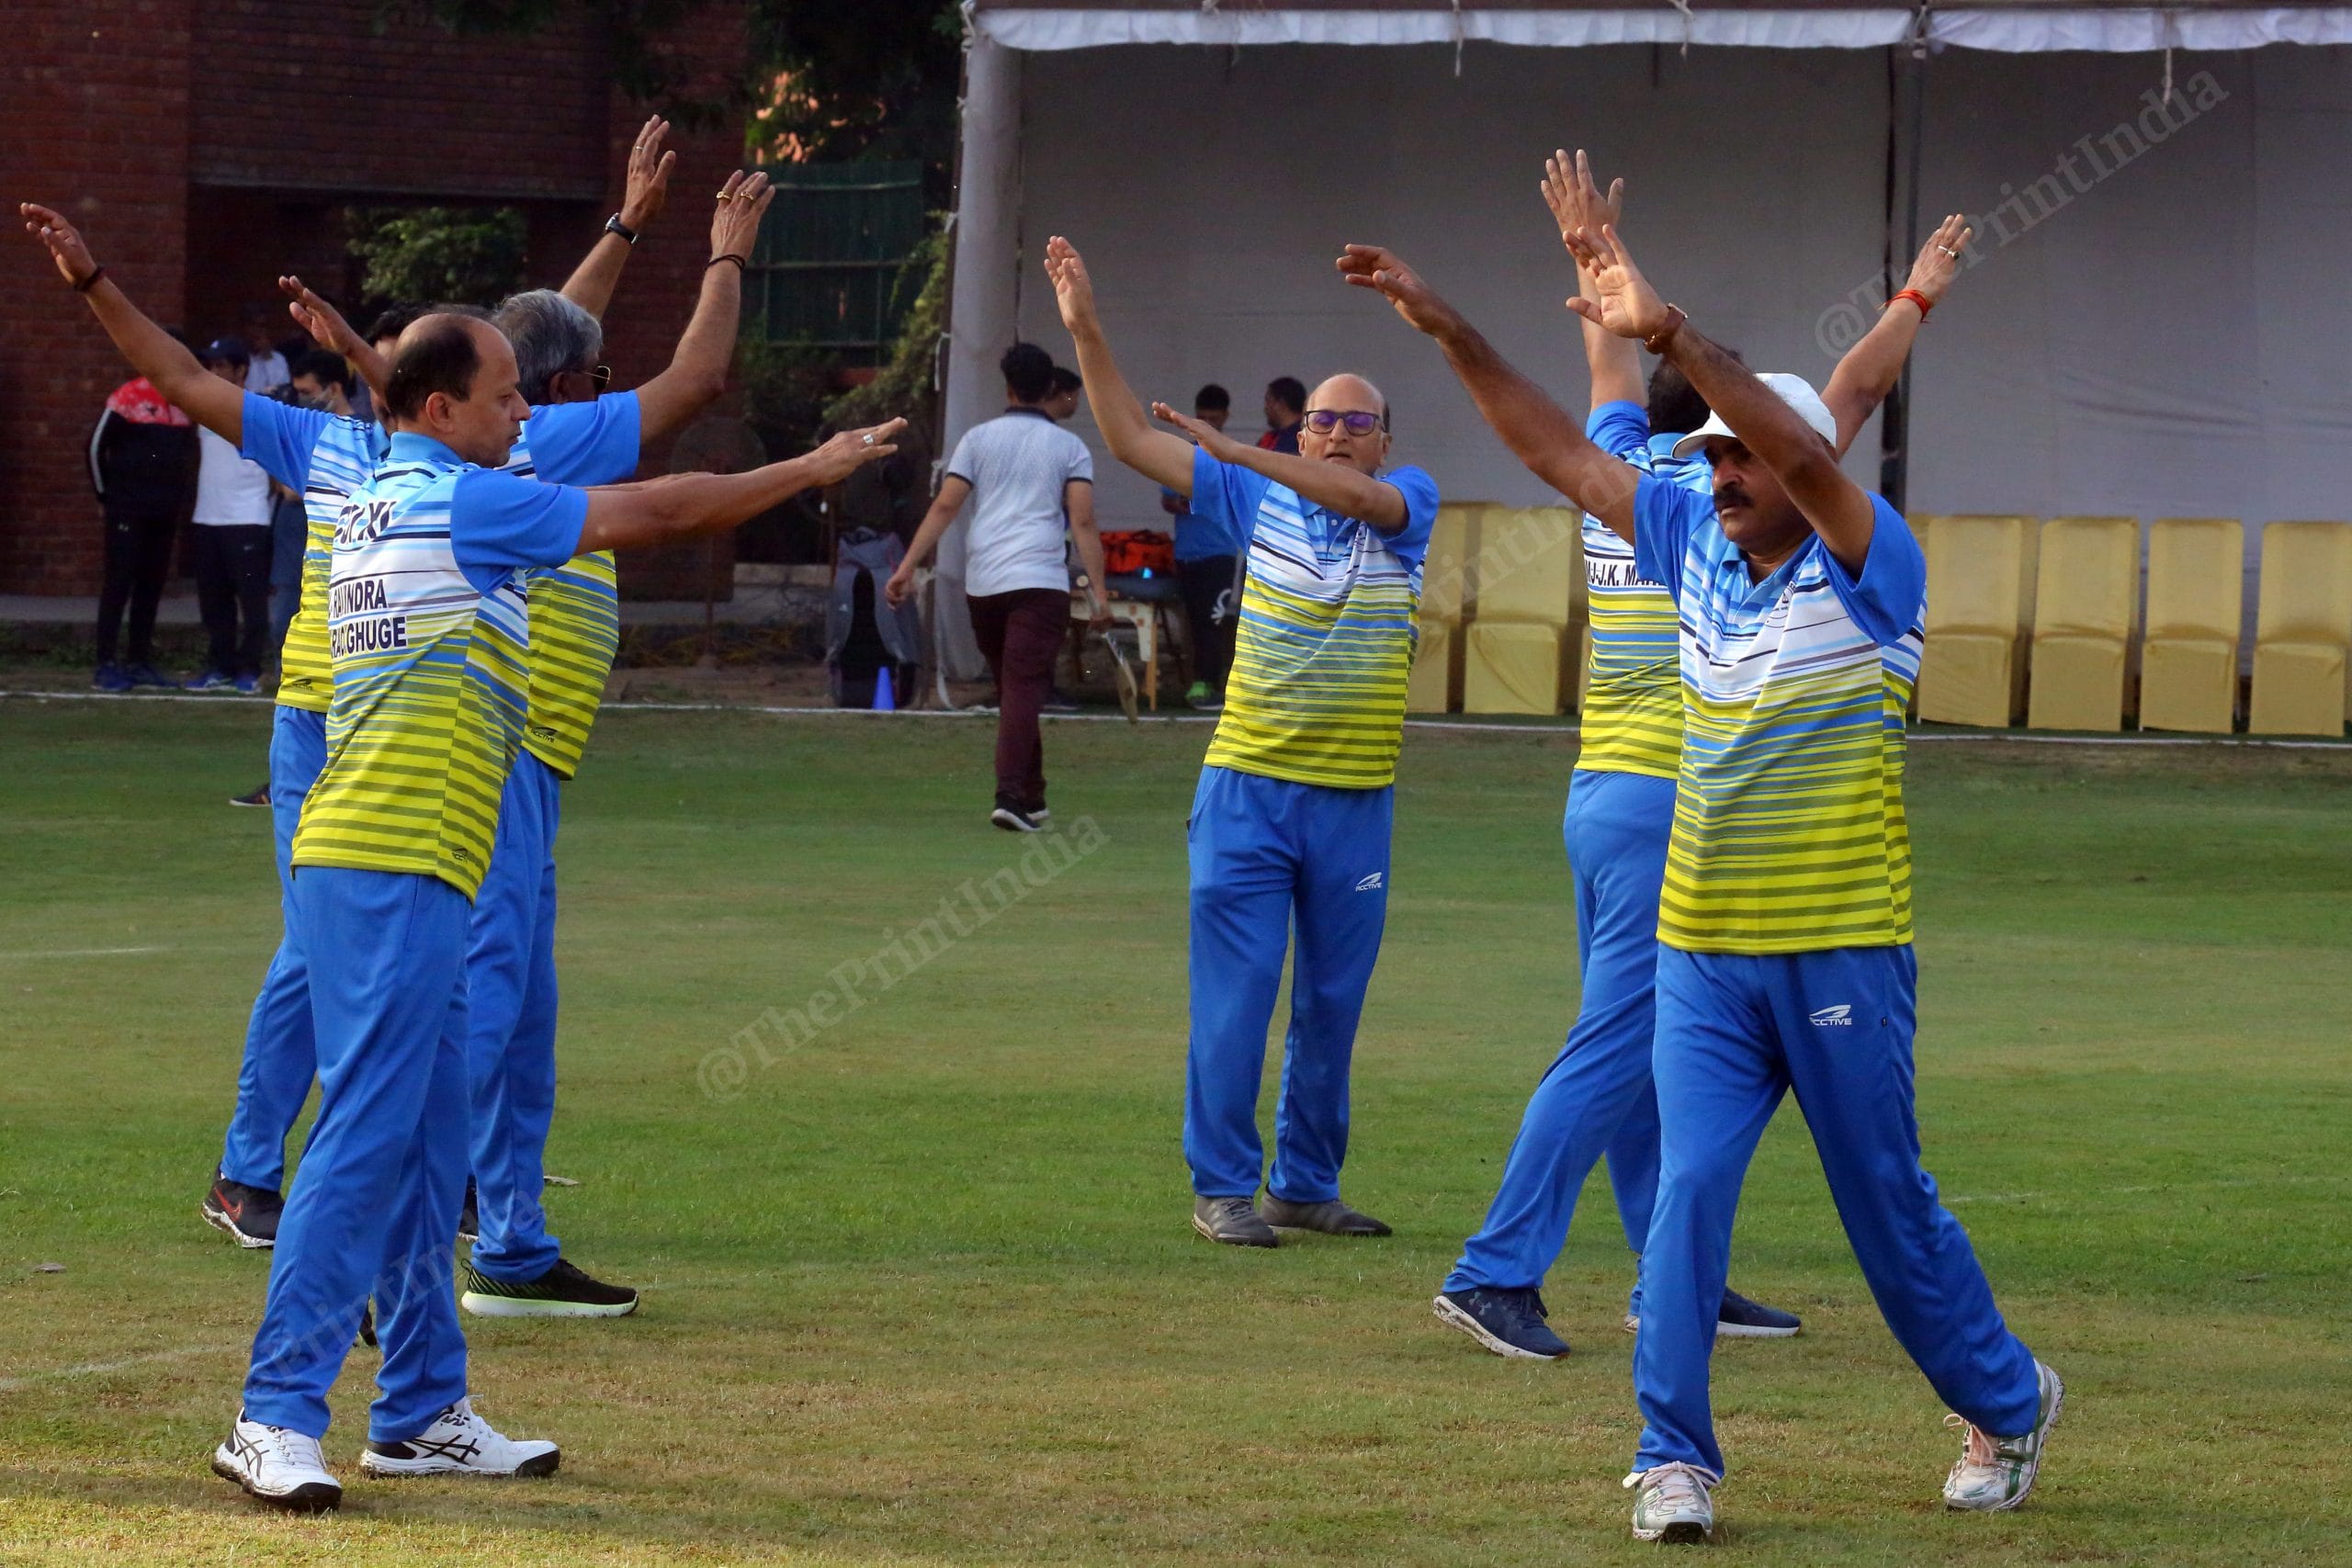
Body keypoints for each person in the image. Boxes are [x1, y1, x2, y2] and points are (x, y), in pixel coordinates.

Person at [1346, 205, 2056, 1541]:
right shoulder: (1695, 546)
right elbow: (1561, 446)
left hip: (1840, 947)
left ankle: (2008, 1400)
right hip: (1704, 949)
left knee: (1889, 1212)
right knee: (1683, 1195)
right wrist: (1449, 331)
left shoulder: (1870, 566)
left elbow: (1803, 426)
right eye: (1711, 457)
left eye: (1740, 457)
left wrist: (1669, 331)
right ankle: (1672, 1453)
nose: (1718, 473)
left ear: (1802, 467)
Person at [236, 308, 898, 1511]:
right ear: (442, 411)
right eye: (502, 396)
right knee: (365, 1140)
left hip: (411, 860)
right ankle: (274, 1409)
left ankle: (422, 1409)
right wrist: (811, 467)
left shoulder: (398, 478)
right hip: (385, 861)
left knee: (433, 1150)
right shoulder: (462, 501)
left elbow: (423, 388)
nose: (522, 414)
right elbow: (661, 511)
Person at [1414, 154, 1971, 1362]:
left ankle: (1676, 1273)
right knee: (1620, 1040)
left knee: (1659, 1060)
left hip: (1598, 789)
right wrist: (1914, 299)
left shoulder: (1633, 479)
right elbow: (1849, 402)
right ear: (1732, 433)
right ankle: (1495, 1266)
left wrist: (1595, 266)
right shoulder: (1740, 502)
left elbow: (1597, 381)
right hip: (1683, 798)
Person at [181, 122, 691, 1252]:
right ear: (432, 391)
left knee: (441, 965)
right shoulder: (351, 454)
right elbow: (549, 366)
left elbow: (529, 349)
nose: (516, 402)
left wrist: (623, 228)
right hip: (330, 720)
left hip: (428, 729)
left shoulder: (452, 448)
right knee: (327, 950)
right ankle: (252, 1169)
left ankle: (426, 1180)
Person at [1041, 235, 1437, 1248]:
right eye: (1324, 421)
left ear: (1386, 442)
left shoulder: (1406, 504)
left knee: (1333, 1005)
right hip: (1249, 791)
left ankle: (1305, 1183)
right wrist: (1087, 328)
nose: (1341, 435)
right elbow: (1128, 435)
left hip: (1355, 801)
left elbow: (1352, 499)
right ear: (1298, 432)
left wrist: (1232, 449)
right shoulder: (1250, 491)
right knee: (1237, 998)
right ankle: (1222, 1184)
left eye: (1359, 423)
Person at [454, 167, 774, 1321]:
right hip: (501, 762)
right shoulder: (552, 440)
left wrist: (627, 222)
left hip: (516, 763)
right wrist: (724, 254)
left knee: (510, 1003)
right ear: (558, 393)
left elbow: (533, 337)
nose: (607, 395)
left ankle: (500, 1222)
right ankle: (472, 1224)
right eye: (593, 379)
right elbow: (695, 379)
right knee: (494, 1001)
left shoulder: (511, 428)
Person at [885, 342, 1110, 832]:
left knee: (1014, 688)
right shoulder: (1070, 448)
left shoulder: (976, 440)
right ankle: (1010, 795)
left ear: (1007, 386)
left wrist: (906, 566)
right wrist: (1099, 592)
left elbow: (945, 507)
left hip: (984, 582)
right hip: (1039, 581)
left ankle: (1033, 793)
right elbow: (1084, 521)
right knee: (1025, 688)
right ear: (1050, 388)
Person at [88, 353, 198, 692]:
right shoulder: (129, 397)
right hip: (127, 510)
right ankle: (106, 663)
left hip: (163, 513)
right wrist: (106, 497)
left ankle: (139, 660)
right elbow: (95, 448)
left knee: (151, 587)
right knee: (118, 584)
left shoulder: (184, 404)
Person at [187, 337, 276, 694]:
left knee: (251, 600)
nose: (214, 372)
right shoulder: (201, 402)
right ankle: (219, 664)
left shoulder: (259, 406)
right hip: (207, 516)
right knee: (213, 600)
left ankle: (249, 668)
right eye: (211, 365)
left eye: (222, 365)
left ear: (241, 370)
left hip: (248, 517)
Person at [1159, 383, 1241, 711]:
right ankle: (1199, 683)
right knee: (1193, 622)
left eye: (1214, 418)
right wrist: (1187, 501)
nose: (1208, 423)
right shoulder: (1184, 455)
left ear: (1225, 417)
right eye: (1202, 418)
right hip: (1186, 553)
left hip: (1219, 554)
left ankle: (1212, 685)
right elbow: (1169, 500)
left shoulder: (1233, 457)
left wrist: (1195, 499)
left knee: (1214, 622)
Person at [241, 304, 291, 395]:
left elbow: (282, 390)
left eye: (262, 326)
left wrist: (267, 357)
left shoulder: (278, 359)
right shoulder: (237, 356)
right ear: (244, 327)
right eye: (253, 325)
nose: (258, 331)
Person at [1259, 375, 1305, 455]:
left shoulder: (1298, 439)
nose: (1266, 408)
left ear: (1281, 404)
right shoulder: (1270, 437)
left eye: (1268, 402)